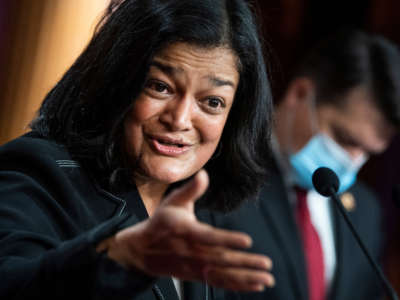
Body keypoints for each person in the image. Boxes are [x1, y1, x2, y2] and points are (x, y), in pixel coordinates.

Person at [0, 0, 276, 299]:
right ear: (117, 80)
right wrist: (119, 258)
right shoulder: (39, 171)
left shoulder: (203, 212)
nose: (180, 119)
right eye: (160, 86)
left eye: (212, 102)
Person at [216, 29, 400, 300]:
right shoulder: (219, 177)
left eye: (368, 152)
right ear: (300, 93)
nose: (352, 159)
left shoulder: (366, 212)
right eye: (344, 138)